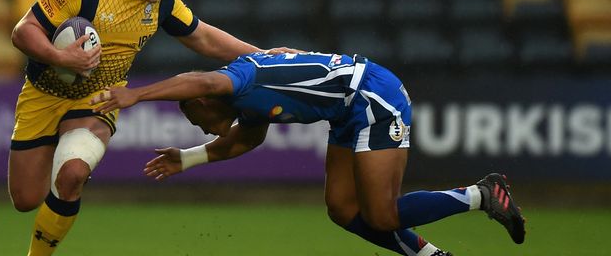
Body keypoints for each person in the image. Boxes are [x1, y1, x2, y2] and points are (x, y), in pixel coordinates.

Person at [91, 50, 526, 256]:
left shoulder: (237, 81)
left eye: (198, 120)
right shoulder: (248, 104)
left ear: (206, 103)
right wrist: (186, 158)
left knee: (382, 216)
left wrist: (137, 96)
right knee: (340, 209)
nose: (202, 127)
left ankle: (482, 194)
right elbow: (246, 140)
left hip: (373, 99)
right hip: (346, 113)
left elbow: (201, 81)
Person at [9, 0, 272, 256]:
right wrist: (61, 56)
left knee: (72, 175)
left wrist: (261, 56)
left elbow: (201, 36)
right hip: (44, 94)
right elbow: (24, 31)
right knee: (26, 199)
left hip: (100, 98)